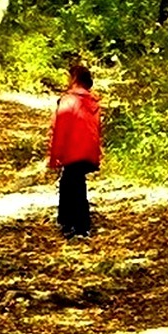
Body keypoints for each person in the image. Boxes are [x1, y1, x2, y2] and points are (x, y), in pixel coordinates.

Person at [48, 63, 102, 238]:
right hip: (88, 150)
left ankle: (77, 225)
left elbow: (61, 129)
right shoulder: (92, 101)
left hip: (73, 150)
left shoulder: (68, 100)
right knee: (71, 182)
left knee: (73, 185)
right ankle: (69, 222)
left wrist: (55, 155)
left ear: (74, 79)